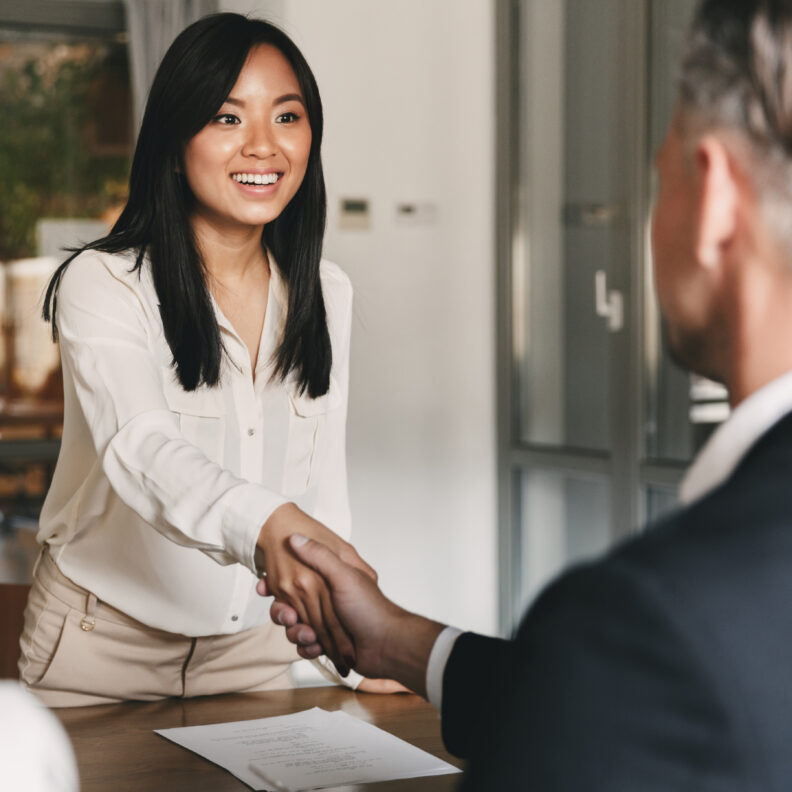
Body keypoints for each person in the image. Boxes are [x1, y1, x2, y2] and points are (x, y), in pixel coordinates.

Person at [267, 0, 792, 788]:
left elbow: (627, 696)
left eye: (659, 172)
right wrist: (402, 643)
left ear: (714, 200)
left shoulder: (647, 624)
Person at [17, 13, 389, 707]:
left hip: (253, 653)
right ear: (175, 136)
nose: (262, 146)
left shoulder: (324, 292)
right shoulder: (104, 284)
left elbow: (323, 496)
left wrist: (355, 646)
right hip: (100, 650)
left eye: (287, 115)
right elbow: (142, 449)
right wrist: (268, 523)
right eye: (225, 117)